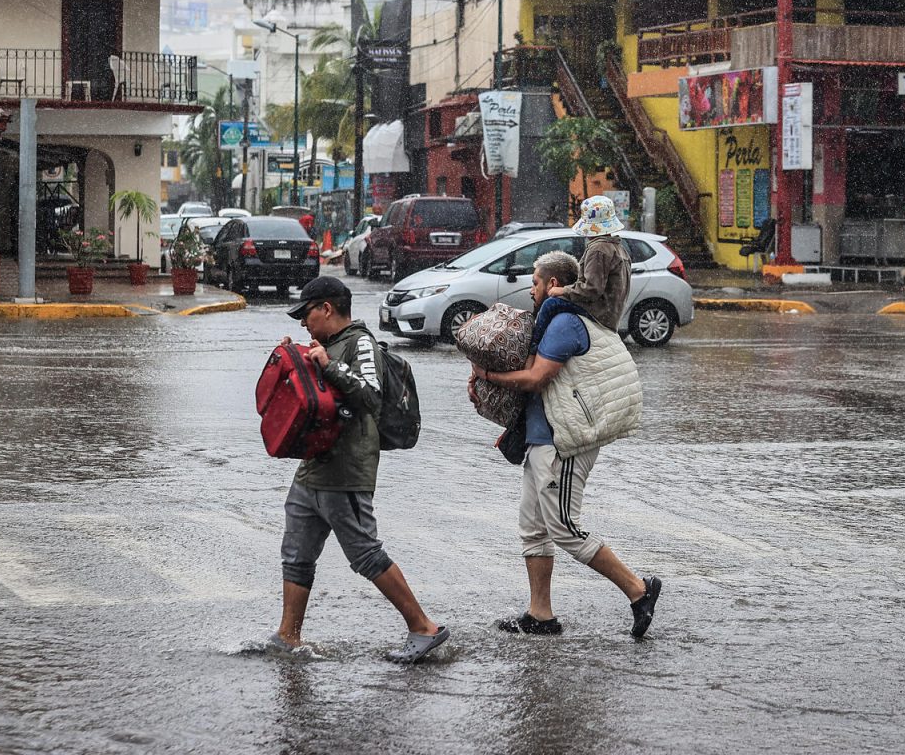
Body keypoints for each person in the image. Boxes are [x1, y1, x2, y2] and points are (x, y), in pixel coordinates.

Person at [470, 250, 662, 639]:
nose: (532, 290)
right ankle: (540, 614)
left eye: (536, 283)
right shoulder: (551, 320)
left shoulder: (565, 322)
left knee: (565, 529)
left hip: (564, 443)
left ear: (554, 283)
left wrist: (489, 373)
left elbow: (536, 378)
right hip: (541, 440)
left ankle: (639, 590)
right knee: (533, 528)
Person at [267, 276, 449, 664]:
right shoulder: (327, 345)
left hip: (346, 470)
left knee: (365, 554)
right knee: (296, 554)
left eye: (307, 314)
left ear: (327, 309)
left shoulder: (360, 343)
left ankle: (423, 627)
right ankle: (289, 635)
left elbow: (370, 394)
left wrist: (328, 365)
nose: (303, 322)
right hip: (314, 467)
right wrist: (295, 358)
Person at [547, 195, 631, 332]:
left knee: (550, 304)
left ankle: (534, 350)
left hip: (598, 315)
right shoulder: (619, 249)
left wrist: (562, 290)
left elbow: (591, 290)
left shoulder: (599, 249)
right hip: (612, 316)